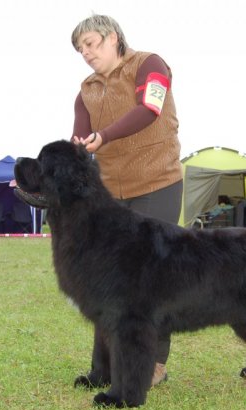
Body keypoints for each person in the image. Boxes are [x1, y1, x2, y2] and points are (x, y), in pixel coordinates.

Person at [71, 14, 183, 386]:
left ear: (113, 36)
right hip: (112, 197)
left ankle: (154, 365)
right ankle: (103, 367)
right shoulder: (85, 90)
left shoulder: (150, 64)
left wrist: (103, 136)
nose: (85, 53)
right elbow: (79, 142)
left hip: (157, 184)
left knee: (153, 278)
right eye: (80, 49)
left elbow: (149, 110)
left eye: (91, 43)